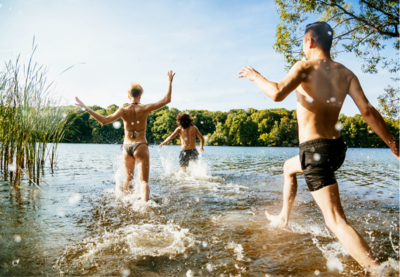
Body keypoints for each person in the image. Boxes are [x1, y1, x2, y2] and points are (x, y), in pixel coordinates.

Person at [238, 21, 400, 269]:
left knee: (335, 220)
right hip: (335, 150)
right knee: (288, 167)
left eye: (303, 43)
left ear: (309, 42)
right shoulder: (346, 73)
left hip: (314, 151)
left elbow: (277, 93)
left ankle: (379, 271)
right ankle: (283, 217)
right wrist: (392, 145)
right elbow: (367, 111)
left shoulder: (304, 67)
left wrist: (255, 76)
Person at [75, 70, 176, 202]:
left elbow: (104, 120)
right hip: (141, 146)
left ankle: (126, 203)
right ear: (140, 95)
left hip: (127, 147)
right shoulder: (145, 108)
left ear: (128, 96)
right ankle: (145, 208)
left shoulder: (122, 110)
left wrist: (86, 107)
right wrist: (169, 82)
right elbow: (167, 99)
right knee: (144, 181)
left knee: (129, 178)